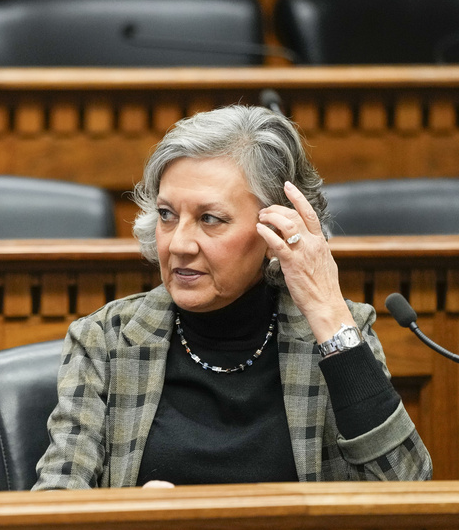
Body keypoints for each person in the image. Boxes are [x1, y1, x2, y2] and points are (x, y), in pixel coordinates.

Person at [34, 105, 432, 489]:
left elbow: (408, 489)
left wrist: (329, 312)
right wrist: (131, 520)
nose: (179, 244)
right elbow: (53, 510)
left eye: (211, 219)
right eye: (168, 215)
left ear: (275, 230)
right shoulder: (105, 340)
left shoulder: (333, 336)